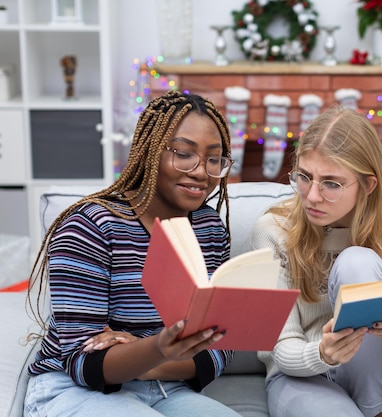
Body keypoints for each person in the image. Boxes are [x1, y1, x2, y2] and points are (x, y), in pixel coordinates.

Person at [24, 90, 242, 417]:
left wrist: (150, 360)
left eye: (214, 159)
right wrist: (160, 348)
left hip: (166, 389)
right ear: (151, 151)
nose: (201, 172)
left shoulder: (208, 229)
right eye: (184, 153)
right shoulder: (91, 226)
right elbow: (83, 362)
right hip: (73, 388)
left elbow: (220, 350)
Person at [251, 105, 382, 417]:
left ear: (368, 185)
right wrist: (322, 353)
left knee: (358, 263)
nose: (312, 196)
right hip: (306, 376)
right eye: (304, 177)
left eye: (331, 183)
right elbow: (280, 350)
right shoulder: (274, 229)